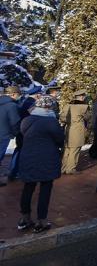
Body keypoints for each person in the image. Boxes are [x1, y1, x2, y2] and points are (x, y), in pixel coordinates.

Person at [16, 95, 65, 233]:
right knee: (45, 188)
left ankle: (24, 218)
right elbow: (60, 139)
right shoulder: (51, 122)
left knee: (28, 187)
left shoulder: (26, 120)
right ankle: (41, 220)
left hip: (28, 157)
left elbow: (20, 139)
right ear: (49, 107)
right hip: (46, 159)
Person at [60, 90, 91, 175]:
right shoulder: (83, 106)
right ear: (81, 97)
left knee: (67, 149)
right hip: (77, 130)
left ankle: (63, 168)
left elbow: (62, 118)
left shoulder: (67, 105)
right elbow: (88, 117)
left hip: (68, 128)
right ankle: (71, 169)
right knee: (75, 149)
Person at [0, 86, 21, 187]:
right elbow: (15, 122)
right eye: (18, 94)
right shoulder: (12, 106)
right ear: (13, 94)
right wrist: (16, 133)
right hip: (4, 134)